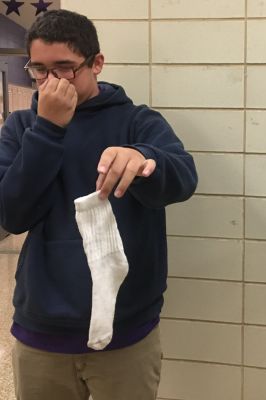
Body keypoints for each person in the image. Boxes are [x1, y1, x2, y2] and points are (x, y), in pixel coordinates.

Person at [0, 10, 197, 400]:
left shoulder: (137, 121)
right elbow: (10, 215)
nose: (52, 82)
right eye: (39, 70)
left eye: (66, 68)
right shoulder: (22, 127)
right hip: (43, 327)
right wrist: (49, 128)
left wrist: (142, 160)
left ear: (97, 63)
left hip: (127, 329)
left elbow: (184, 177)